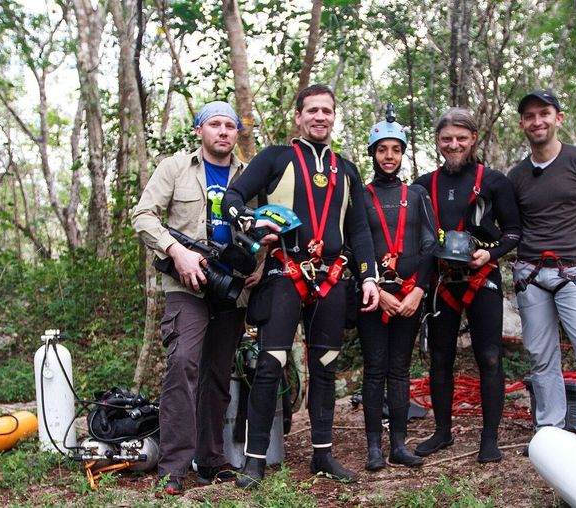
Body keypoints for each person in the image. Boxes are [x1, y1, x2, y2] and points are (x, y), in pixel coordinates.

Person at [221, 84, 380, 488]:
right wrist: (251, 222)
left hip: (332, 277)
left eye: (327, 110)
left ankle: (322, 456)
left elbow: (360, 229)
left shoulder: (347, 170)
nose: (320, 117)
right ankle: (254, 462)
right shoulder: (275, 157)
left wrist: (369, 277)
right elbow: (232, 197)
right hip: (284, 272)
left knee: (325, 367)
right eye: (312, 110)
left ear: (334, 117)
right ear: (298, 117)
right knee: (270, 364)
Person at [131, 101, 260, 496]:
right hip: (186, 286)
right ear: (199, 130)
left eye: (230, 126)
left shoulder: (249, 175)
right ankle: (173, 467)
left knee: (218, 374)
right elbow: (143, 215)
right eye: (214, 124)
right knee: (183, 364)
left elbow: (264, 226)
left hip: (231, 287)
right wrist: (177, 251)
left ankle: (210, 460)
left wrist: (260, 263)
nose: (223, 132)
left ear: (237, 133)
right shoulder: (175, 167)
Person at [506, 89, 576, 462]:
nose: (537, 121)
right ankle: (550, 432)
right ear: (522, 124)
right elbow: (514, 227)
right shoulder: (517, 176)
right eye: (529, 116)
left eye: (544, 113)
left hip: (574, 272)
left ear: (559, 118)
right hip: (530, 274)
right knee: (541, 356)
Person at [411, 108, 521, 463]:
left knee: (489, 356)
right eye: (447, 139)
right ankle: (442, 432)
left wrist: (491, 254)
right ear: (437, 141)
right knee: (440, 357)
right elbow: (412, 235)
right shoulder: (422, 185)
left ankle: (489, 439)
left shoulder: (494, 182)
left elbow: (513, 232)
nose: (454, 145)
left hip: (481, 276)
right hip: (441, 281)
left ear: (473, 139)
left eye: (461, 138)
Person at [358, 107, 437, 471]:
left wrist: (418, 291)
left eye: (395, 149)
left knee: (400, 370)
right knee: (375, 369)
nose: (389, 156)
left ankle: (399, 445)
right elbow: (354, 246)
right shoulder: (361, 196)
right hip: (374, 296)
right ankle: (374, 447)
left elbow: (430, 245)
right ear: (372, 153)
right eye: (382, 150)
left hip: (409, 296)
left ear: (403, 152)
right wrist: (378, 291)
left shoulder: (417, 195)